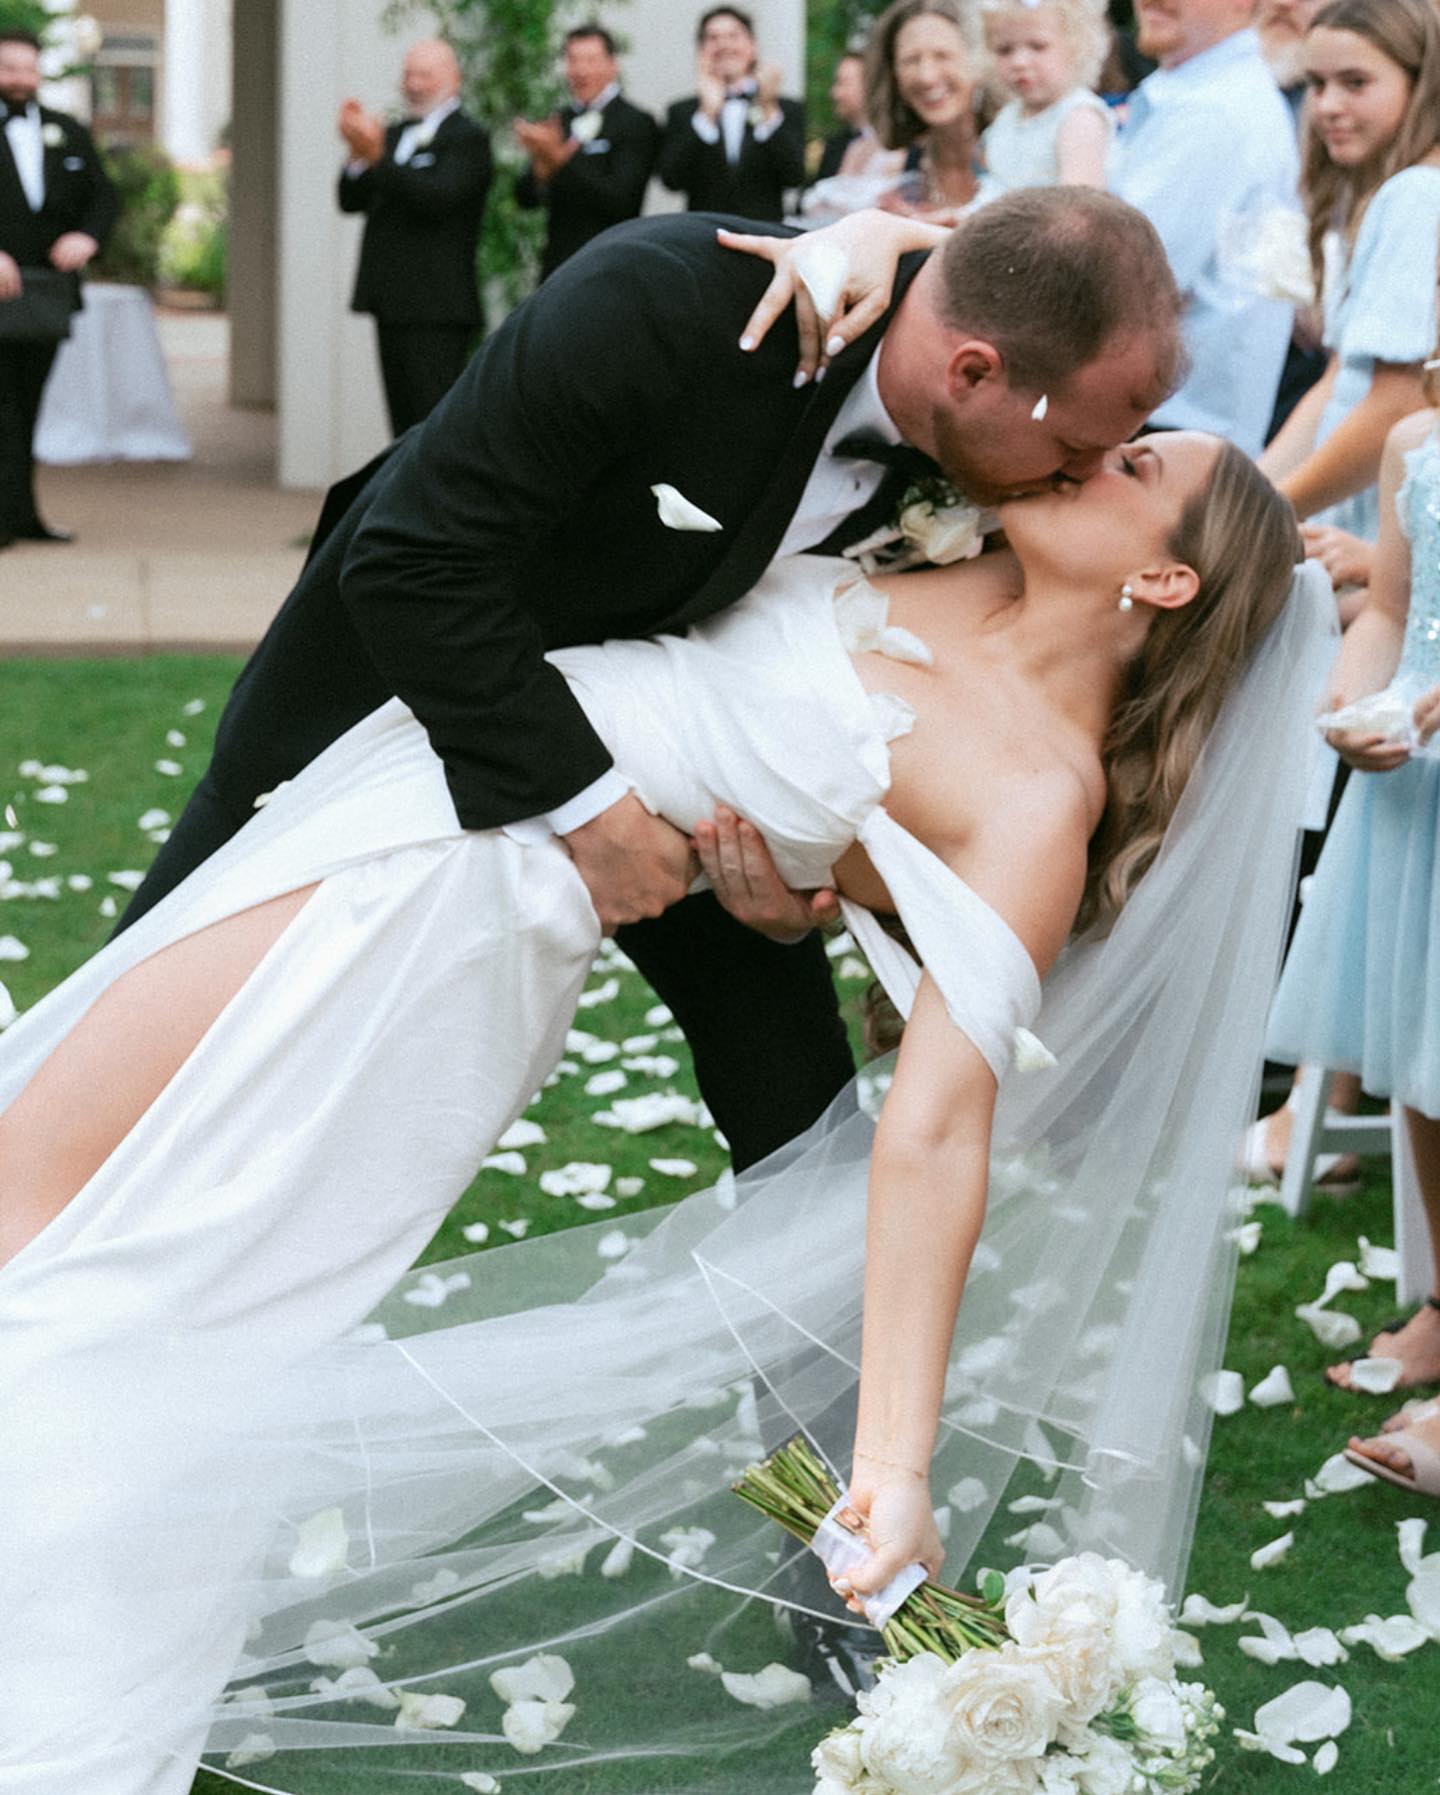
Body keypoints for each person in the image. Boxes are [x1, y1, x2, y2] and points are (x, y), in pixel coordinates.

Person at [0, 422, 1329, 1791]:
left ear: (1165, 584)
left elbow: (936, 1131)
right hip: (427, 779)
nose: (1086, 452)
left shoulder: (1041, 800)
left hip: (461, 892)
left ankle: (58, 1682)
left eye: (1134, 468)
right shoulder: (941, 534)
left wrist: (895, 1463)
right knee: (65, 1192)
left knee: (116, 1232)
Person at [112, 190, 1186, 1189]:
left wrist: (798, 893)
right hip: (398, 691)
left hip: (693, 775)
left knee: (799, 1118)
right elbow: (409, 563)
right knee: (143, 1032)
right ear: (971, 372)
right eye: (1078, 449)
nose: (1083, 479)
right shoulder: (663, 303)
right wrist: (595, 811)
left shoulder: (1003, 452)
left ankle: (829, 1393)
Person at [1247, 0, 1440, 1182]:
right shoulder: (1386, 200)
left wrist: (1260, 509)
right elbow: (1341, 389)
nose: (1328, 107)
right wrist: (1251, 488)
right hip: (1379, 523)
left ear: (1419, 80)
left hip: (1398, 525)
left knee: (1351, 826)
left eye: (1355, 80)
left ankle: (1319, 1104)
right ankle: (1328, 1101)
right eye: (1314, 84)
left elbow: (1383, 404)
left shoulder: (1420, 197)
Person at [1267, 384, 1440, 1487]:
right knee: (1423, 1060)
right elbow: (1388, 608)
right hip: (1416, 785)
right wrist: (1348, 700)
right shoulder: (1417, 445)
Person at [1110, 0, 1299, 456]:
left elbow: (1116, 282)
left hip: (1168, 435)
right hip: (1166, 423)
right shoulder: (1194, 95)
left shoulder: (1216, 112)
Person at [337, 39, 492, 436]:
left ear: (452, 80)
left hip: (437, 307)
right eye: (408, 74)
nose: (413, 84)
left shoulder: (468, 138)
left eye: (424, 74)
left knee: (432, 421)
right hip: (391, 301)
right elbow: (351, 199)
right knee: (401, 423)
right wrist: (358, 156)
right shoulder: (393, 134)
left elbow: (436, 199)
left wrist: (378, 158)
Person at [0, 27, 117, 549]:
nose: (19, 79)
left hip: (45, 298)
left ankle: (22, 514)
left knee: (26, 406)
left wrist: (86, 237)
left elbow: (104, 198)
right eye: (8, 68)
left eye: (27, 68)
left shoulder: (66, 130)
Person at [514, 23, 658, 283]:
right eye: (573, 60)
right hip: (558, 265)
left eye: (591, 60)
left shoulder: (635, 122)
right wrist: (541, 167)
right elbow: (525, 199)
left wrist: (562, 159)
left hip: (611, 262)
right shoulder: (560, 121)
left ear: (613, 64)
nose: (581, 70)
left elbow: (622, 200)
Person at [657, 6, 806, 223]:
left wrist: (768, 109)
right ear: (701, 51)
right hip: (701, 237)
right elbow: (671, 180)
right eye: (713, 38)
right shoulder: (682, 111)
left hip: (764, 234)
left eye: (733, 36)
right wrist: (705, 116)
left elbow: (794, 176)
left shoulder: (786, 108)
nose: (724, 45)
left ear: (752, 46)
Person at [864, 0, 992, 223]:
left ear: (980, 61)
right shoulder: (899, 177)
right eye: (911, 60)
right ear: (894, 76)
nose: (927, 76)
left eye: (943, 55)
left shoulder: (1017, 152)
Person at [980, 0, 1113, 190]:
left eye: (1037, 46)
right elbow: (995, 188)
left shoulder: (1080, 118)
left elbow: (1079, 206)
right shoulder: (1008, 116)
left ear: (1077, 47)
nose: (1019, 62)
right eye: (1005, 50)